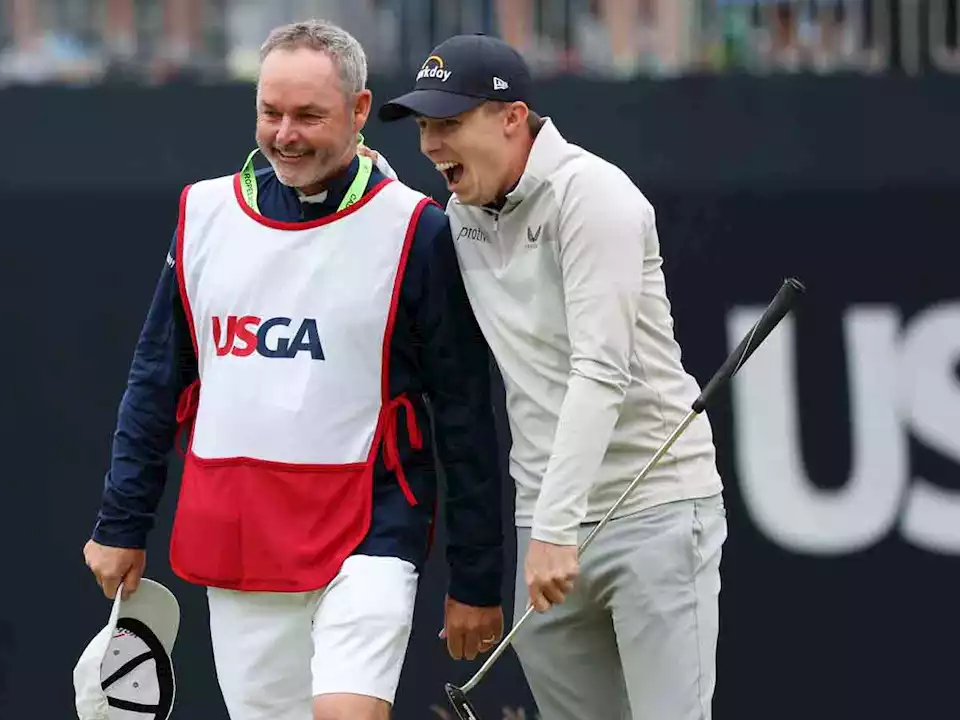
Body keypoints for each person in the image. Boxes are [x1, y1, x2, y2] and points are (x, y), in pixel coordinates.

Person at [82, 20, 506, 720]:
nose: (285, 134)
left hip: (372, 529)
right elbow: (157, 381)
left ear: (361, 111)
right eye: (270, 113)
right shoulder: (204, 216)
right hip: (242, 533)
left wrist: (477, 578)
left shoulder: (416, 229)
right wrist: (121, 522)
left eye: (310, 115)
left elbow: (463, 412)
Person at [376, 33, 728, 720]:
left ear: (512, 117)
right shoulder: (464, 211)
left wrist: (554, 529)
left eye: (447, 124)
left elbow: (601, 370)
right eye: (422, 128)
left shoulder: (594, 196)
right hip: (546, 525)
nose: (429, 145)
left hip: (653, 509)